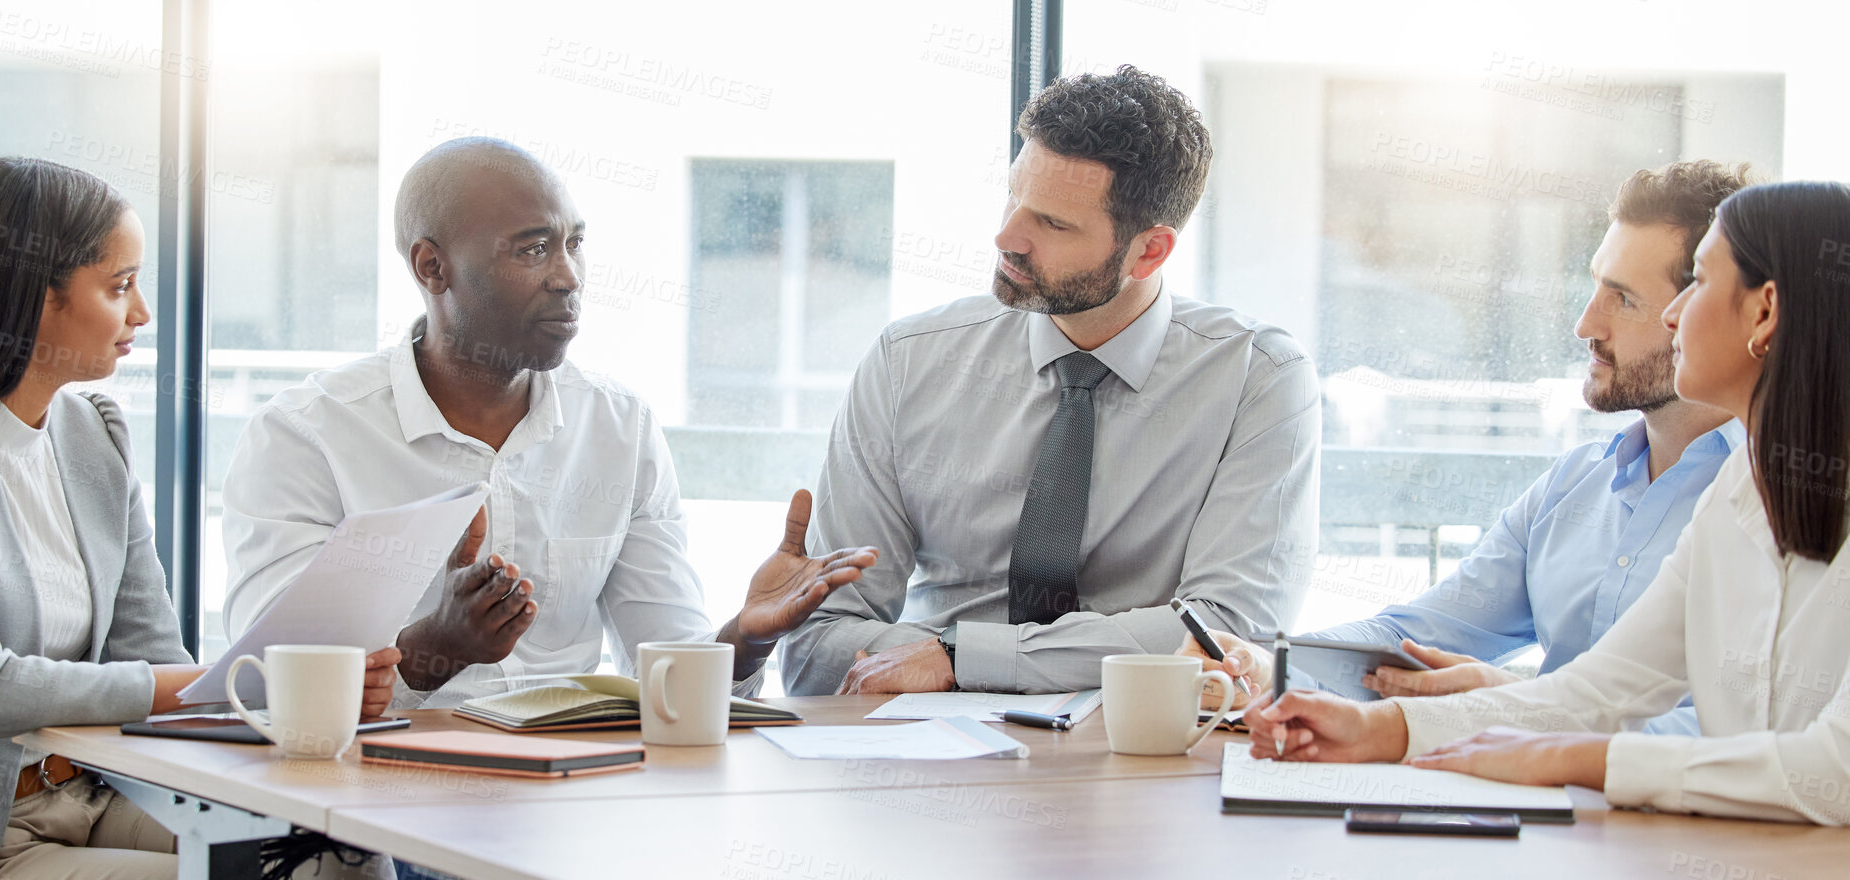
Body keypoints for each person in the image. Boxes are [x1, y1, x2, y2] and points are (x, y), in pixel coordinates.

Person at [1247, 181, 1850, 826]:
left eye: (1697, 284)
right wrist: (1379, 729)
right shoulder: (1739, 494)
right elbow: (1597, 690)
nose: (1676, 315)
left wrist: (1577, 759)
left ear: (1764, 314)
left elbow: (1833, 773)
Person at [0, 157, 401, 878]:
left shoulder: (92, 433)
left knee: (343, 857)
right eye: (120, 285)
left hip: (96, 792)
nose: (142, 314)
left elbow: (153, 656)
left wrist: (294, 692)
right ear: (36, 295)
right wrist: (238, 680)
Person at [220, 137, 880, 710]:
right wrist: (437, 649)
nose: (568, 278)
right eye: (532, 250)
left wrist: (746, 638)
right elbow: (262, 691)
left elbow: (672, 674)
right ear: (432, 266)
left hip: (569, 797)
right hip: (368, 798)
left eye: (573, 245)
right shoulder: (305, 436)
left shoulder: (618, 427)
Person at [778, 66, 1320, 698]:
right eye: (1013, 197)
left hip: (1141, 755)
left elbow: (1223, 637)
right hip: (926, 754)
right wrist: (953, 658)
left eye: (1054, 224)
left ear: (1149, 252)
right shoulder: (910, 360)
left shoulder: (1259, 379)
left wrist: (960, 656)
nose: (1006, 236)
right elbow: (818, 645)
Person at [1181, 161, 1754, 738]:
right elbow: (1419, 637)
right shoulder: (1573, 485)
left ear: (1708, 311)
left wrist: (1512, 701)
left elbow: (1752, 731)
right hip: (1539, 799)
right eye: (1594, 286)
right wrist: (1270, 662)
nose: (1585, 324)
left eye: (1624, 300)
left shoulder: (1779, 507)